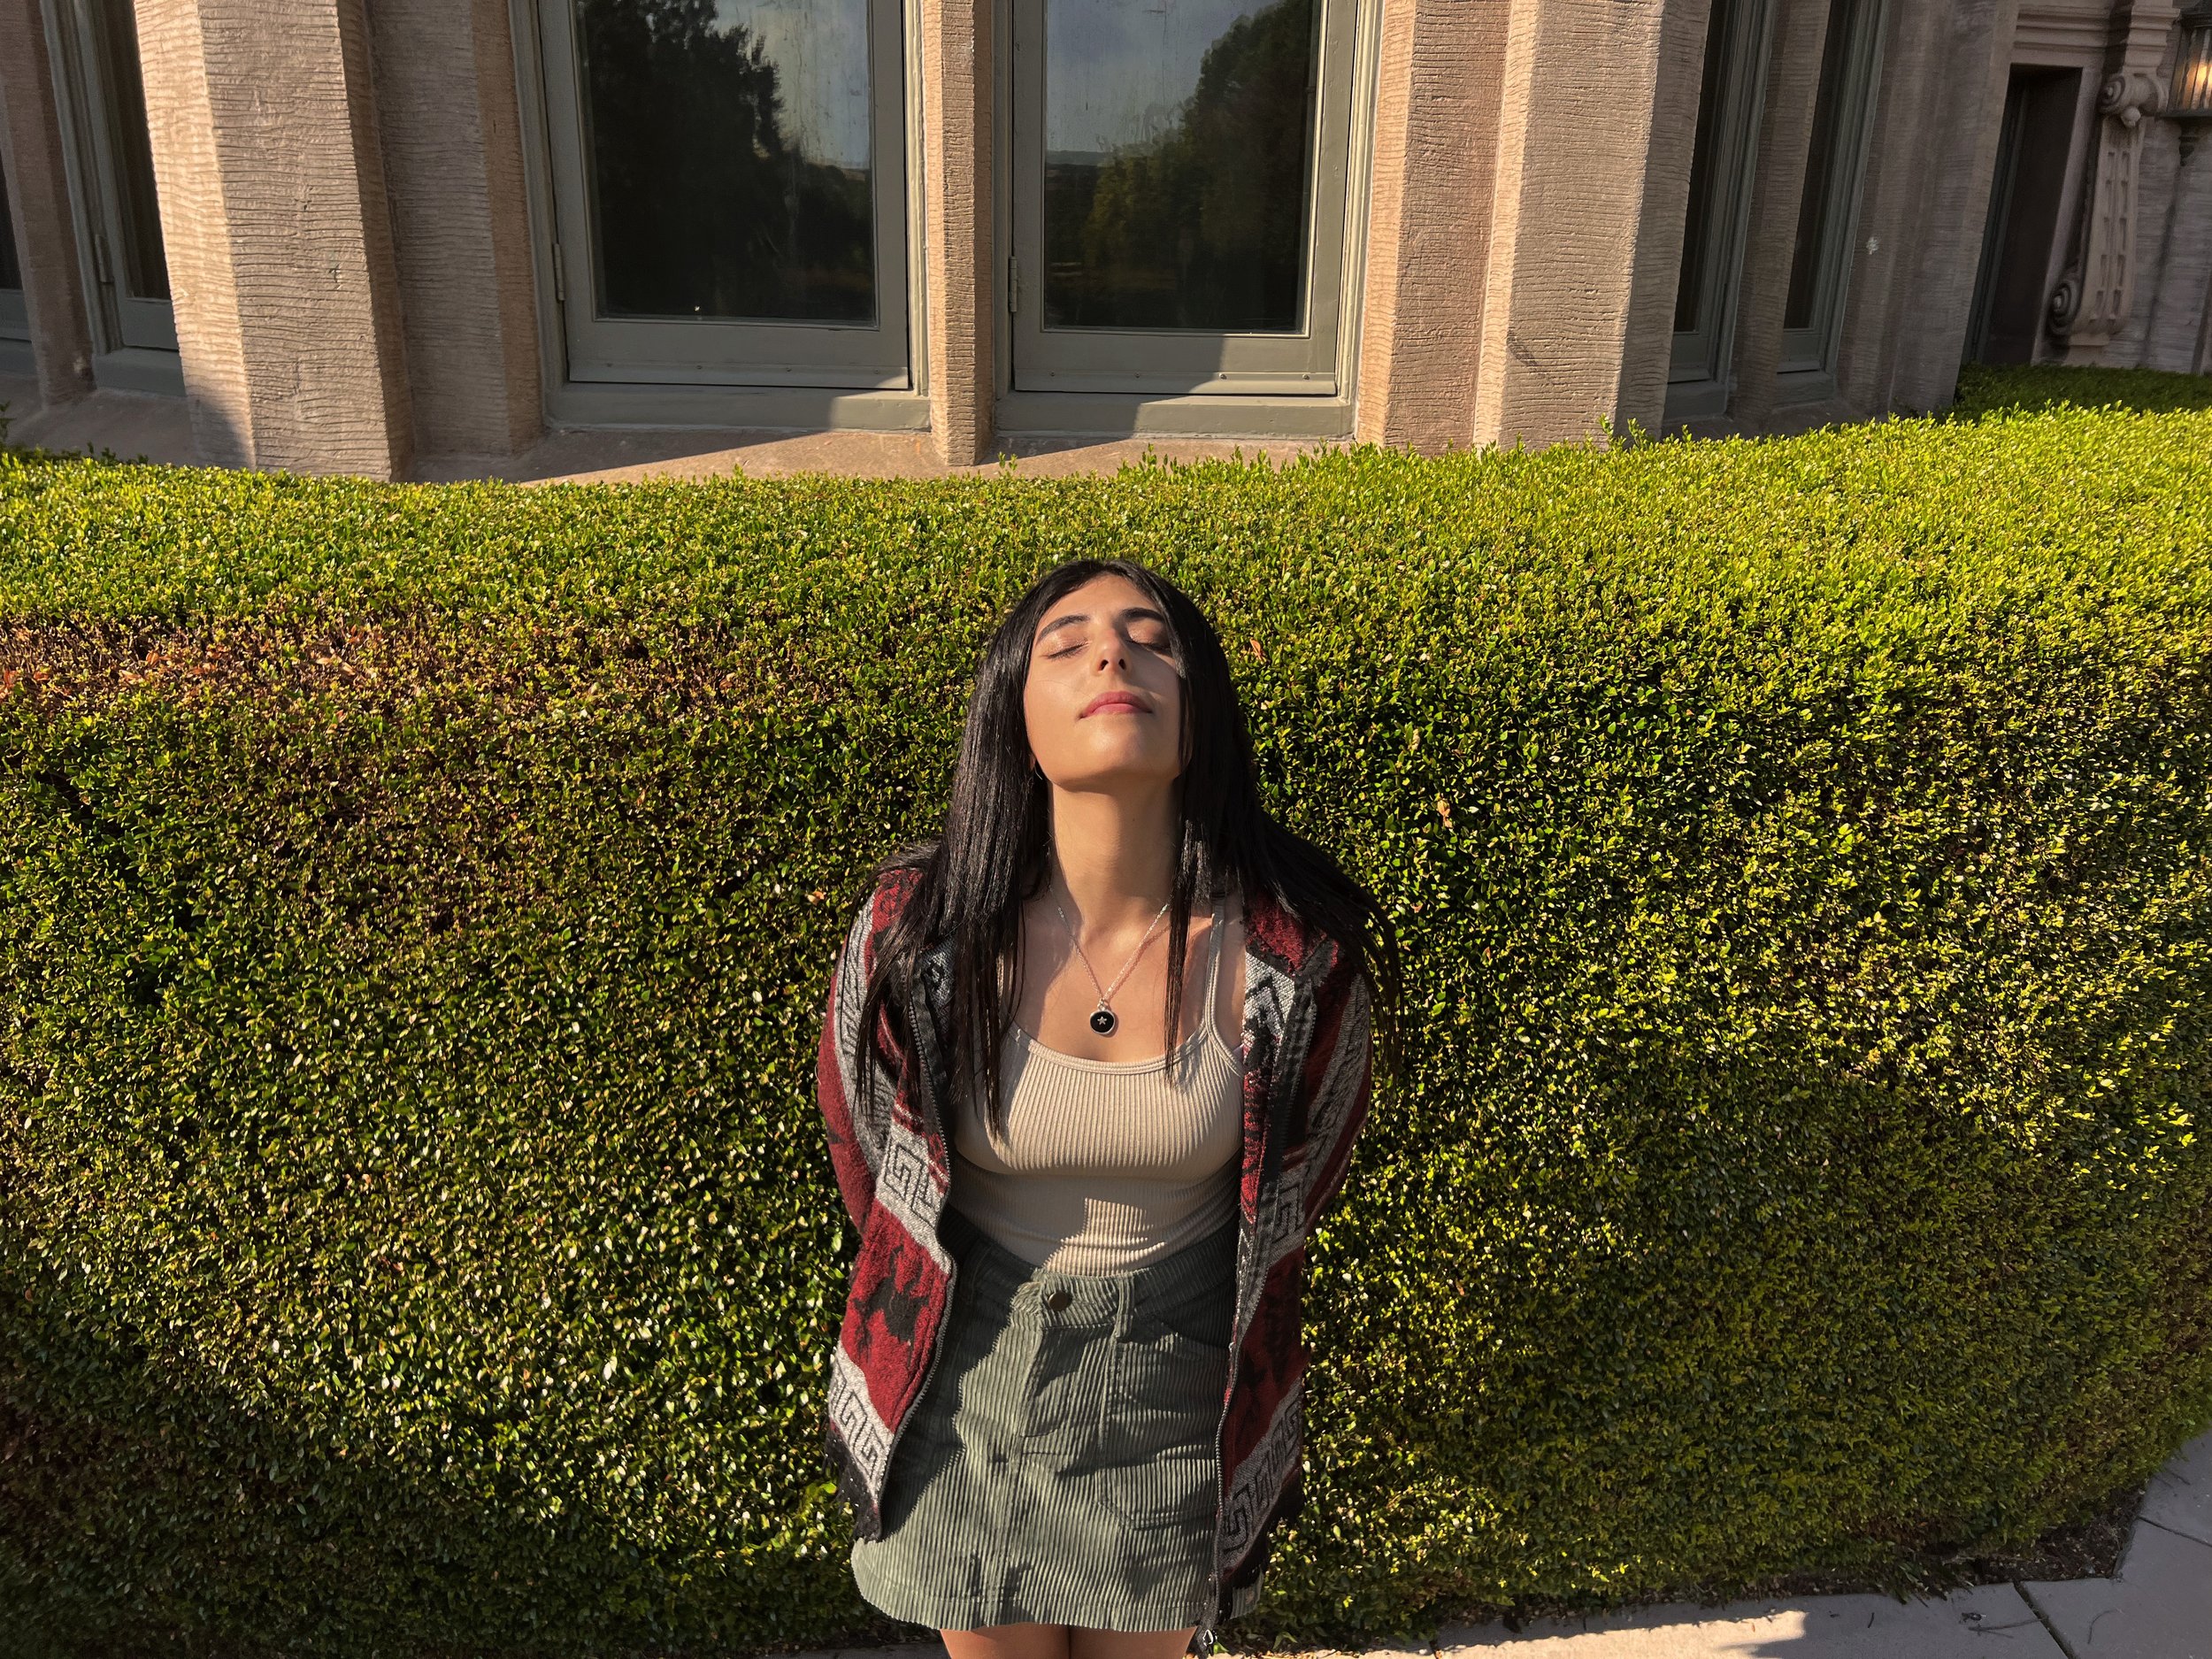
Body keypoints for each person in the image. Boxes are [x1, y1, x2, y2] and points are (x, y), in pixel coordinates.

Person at [813, 557, 1399, 1659]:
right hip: (959, 1381)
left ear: (1200, 711)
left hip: (1177, 1385)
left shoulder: (1295, 958)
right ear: (1014, 714)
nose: (1112, 655)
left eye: (1151, 638)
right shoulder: (916, 932)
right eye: (1066, 643)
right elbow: (867, 1143)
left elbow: (1307, 1165)